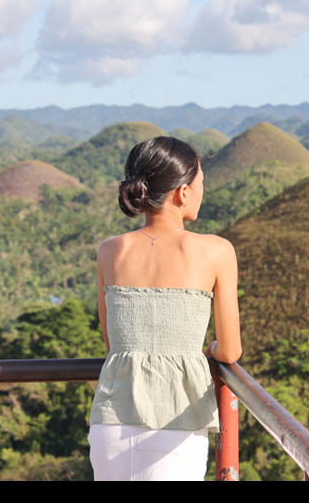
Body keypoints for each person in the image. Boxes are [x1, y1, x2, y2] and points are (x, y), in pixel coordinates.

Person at [87, 136, 243, 481]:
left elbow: (113, 343)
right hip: (177, 423)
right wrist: (211, 350)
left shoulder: (110, 250)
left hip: (110, 422)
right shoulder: (216, 251)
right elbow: (231, 351)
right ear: (182, 192)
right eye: (201, 183)